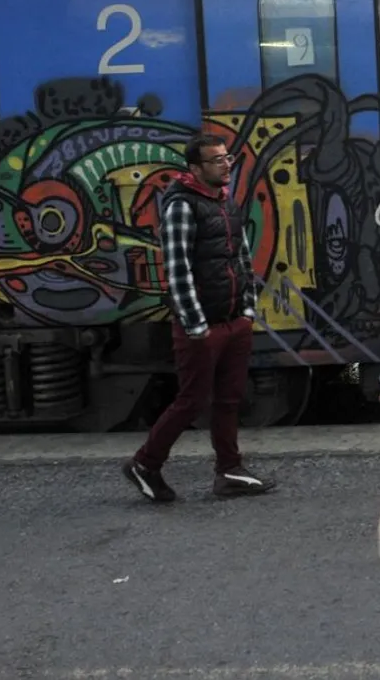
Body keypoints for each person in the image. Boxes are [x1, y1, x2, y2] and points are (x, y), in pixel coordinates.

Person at [122, 133, 275, 502]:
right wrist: (197, 326)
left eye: (227, 158)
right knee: (192, 400)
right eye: (216, 160)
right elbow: (178, 270)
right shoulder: (181, 206)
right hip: (202, 326)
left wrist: (247, 310)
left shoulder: (224, 201)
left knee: (229, 399)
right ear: (195, 168)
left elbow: (240, 257)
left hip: (234, 319)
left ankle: (230, 471)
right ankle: (145, 463)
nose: (226, 165)